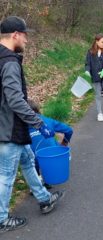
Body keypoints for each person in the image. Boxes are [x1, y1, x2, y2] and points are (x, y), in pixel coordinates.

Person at [0, 16, 64, 233]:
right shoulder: (8, 61)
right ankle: (1, 218)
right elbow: (15, 99)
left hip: (9, 126)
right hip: (8, 128)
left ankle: (45, 199)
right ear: (15, 35)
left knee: (27, 161)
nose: (27, 40)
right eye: (25, 35)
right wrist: (38, 123)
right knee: (6, 175)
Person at [28, 99, 73, 184]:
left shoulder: (20, 126)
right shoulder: (47, 120)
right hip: (53, 155)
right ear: (37, 109)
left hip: (33, 159)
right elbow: (69, 130)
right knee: (53, 142)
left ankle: (37, 179)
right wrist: (64, 142)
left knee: (28, 152)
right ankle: (50, 175)